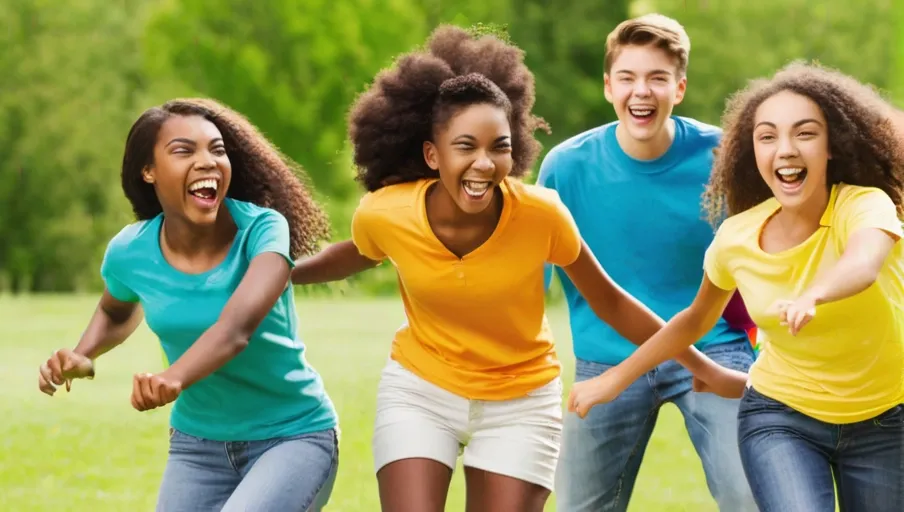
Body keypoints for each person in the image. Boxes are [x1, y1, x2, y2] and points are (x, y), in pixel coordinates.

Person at [290, 25, 743, 512]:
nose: (484, 163)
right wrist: (277, 268)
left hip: (520, 397)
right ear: (432, 153)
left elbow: (609, 300)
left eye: (499, 147)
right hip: (422, 389)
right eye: (466, 146)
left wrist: (705, 367)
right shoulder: (387, 212)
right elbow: (357, 251)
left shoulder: (540, 213)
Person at [569, 61, 904, 512]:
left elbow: (863, 262)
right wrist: (616, 378)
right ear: (752, 153)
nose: (784, 149)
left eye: (805, 133)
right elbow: (693, 319)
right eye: (768, 137)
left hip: (886, 420)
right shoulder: (737, 237)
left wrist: (815, 294)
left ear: (832, 146)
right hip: (783, 419)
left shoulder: (864, 206)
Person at [37, 99, 340, 512]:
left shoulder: (263, 230)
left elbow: (236, 328)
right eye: (184, 151)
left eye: (217, 150)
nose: (208, 162)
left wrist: (174, 377)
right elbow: (116, 310)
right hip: (198, 449)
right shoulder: (131, 250)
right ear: (149, 171)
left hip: (293, 435)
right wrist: (82, 354)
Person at [536, 14, 758, 511]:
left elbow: (767, 251)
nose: (643, 91)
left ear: (679, 88)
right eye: (628, 78)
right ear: (607, 86)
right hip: (606, 358)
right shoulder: (564, 168)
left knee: (752, 493)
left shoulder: (724, 158)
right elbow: (530, 286)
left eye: (658, 78)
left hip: (713, 347)